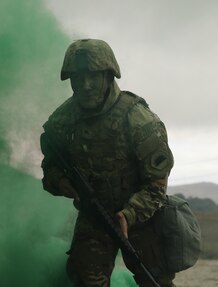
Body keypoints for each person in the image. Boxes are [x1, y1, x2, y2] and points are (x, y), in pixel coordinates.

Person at [40, 39, 175, 287]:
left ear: (109, 75)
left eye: (93, 76)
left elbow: (157, 184)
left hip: (141, 216)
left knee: (156, 280)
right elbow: (50, 169)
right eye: (77, 78)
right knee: (86, 279)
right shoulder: (61, 122)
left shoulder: (138, 119)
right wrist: (63, 183)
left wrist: (130, 214)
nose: (86, 85)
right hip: (94, 214)